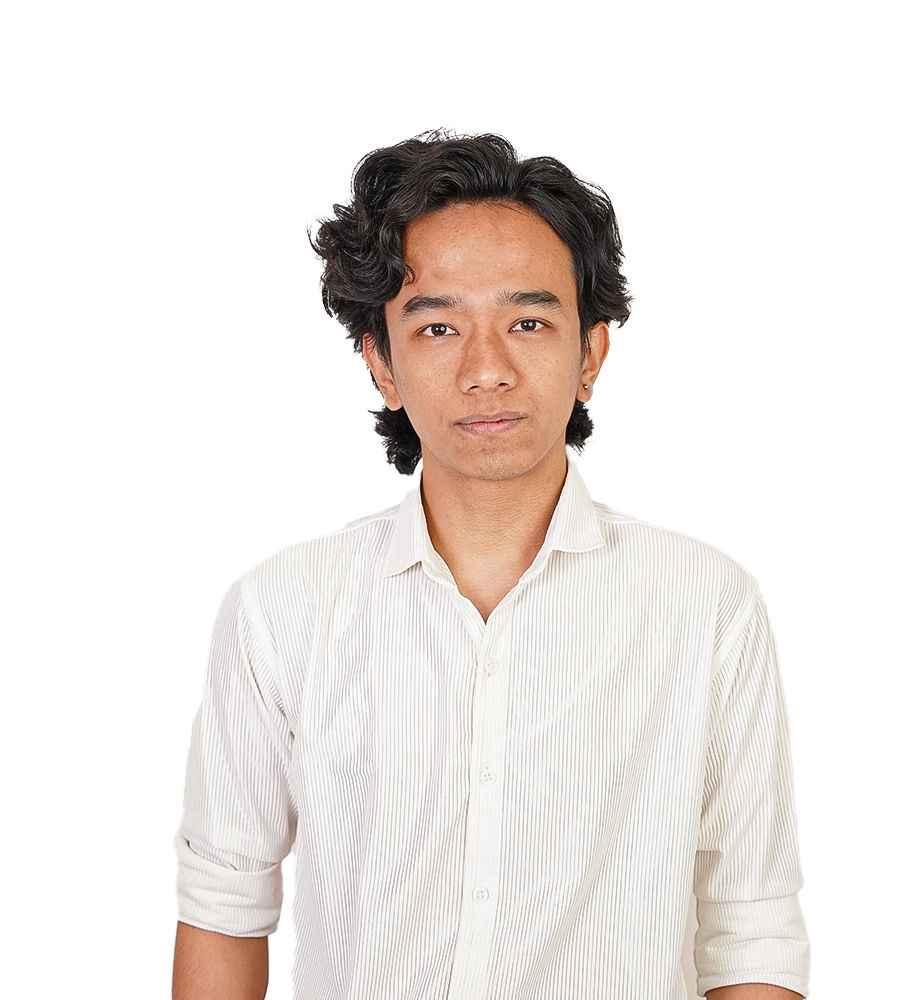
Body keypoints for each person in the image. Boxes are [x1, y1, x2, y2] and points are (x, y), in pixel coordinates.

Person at [172, 131, 810, 1000]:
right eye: (437, 326)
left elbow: (751, 933)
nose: (486, 370)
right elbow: (224, 905)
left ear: (590, 355)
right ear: (381, 363)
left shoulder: (705, 606)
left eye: (528, 322)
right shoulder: (281, 610)